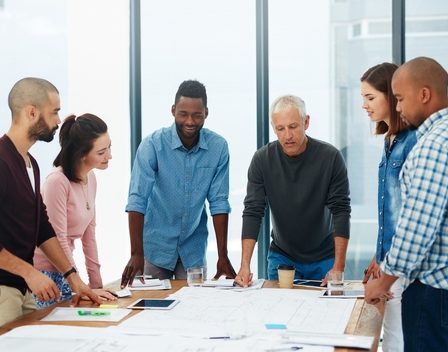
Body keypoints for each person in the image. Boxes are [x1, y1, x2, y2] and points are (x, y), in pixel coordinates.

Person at [0, 77, 101, 327]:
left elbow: (43, 229)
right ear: (32, 112)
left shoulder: (31, 165)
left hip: (24, 290)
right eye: (54, 112)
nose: (58, 120)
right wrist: (29, 272)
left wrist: (74, 279)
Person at [365, 57, 448, 351]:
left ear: (424, 95)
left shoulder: (432, 145)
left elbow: (417, 224)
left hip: (432, 290)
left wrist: (384, 281)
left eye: (399, 98)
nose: (398, 107)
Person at [120, 80, 236, 286]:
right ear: (173, 110)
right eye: (183, 114)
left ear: (206, 113)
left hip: (193, 250)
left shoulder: (218, 147)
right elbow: (137, 200)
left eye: (197, 115)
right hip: (154, 249)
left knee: (195, 311)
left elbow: (219, 203)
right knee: (150, 311)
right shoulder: (152, 145)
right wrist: (136, 253)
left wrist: (222, 255)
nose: (190, 121)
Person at [235, 95, 351, 287]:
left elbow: (341, 210)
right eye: (280, 129)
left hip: (324, 259)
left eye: (293, 126)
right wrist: (244, 265)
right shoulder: (262, 160)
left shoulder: (330, 157)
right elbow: (253, 211)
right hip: (282, 257)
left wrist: (338, 266)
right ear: (274, 128)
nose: (287, 135)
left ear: (306, 122)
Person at [360, 62, 417, 352]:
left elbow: (411, 212)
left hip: (404, 265)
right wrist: (377, 252)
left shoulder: (412, 141)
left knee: (399, 339)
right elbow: (391, 208)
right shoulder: (389, 140)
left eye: (370, 97)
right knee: (391, 337)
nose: (364, 105)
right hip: (388, 258)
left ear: (391, 98)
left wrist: (389, 259)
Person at [33, 114, 116, 308]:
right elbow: (58, 238)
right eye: (102, 151)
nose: (109, 156)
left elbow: (89, 236)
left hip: (68, 274)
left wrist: (97, 286)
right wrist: (78, 283)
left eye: (109, 147)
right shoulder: (57, 182)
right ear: (82, 154)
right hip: (47, 276)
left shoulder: (91, 178)